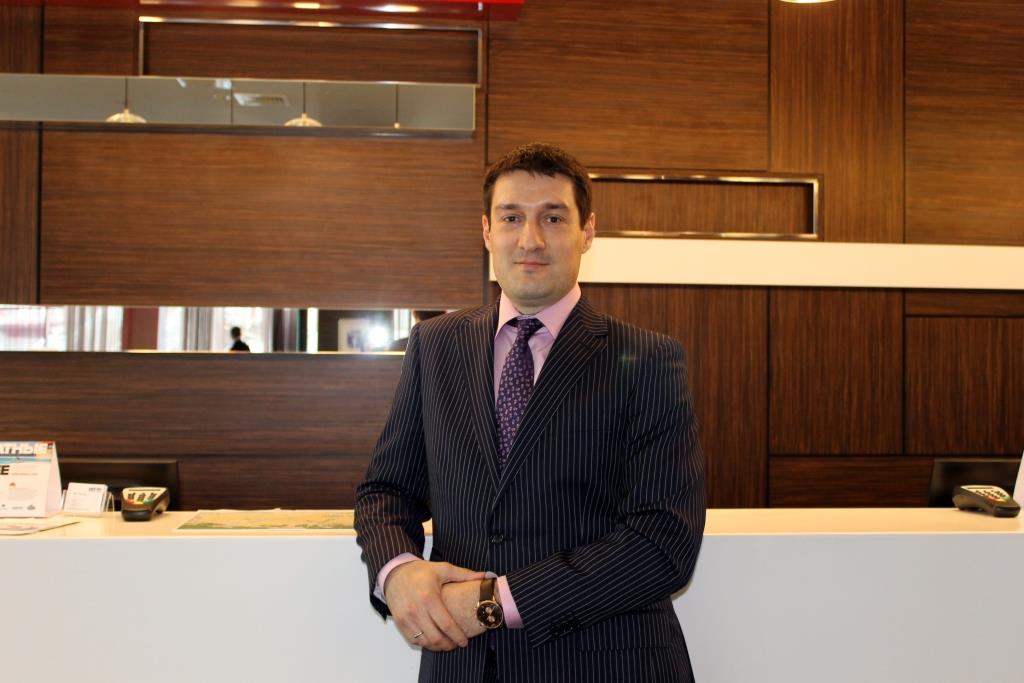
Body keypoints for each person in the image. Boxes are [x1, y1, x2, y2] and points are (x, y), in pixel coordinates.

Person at [355, 143, 706, 683]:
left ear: (587, 231)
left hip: (606, 665)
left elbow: (663, 542)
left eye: (554, 218)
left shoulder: (649, 359)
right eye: (511, 217)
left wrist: (493, 602)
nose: (531, 239)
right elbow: (386, 490)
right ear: (487, 231)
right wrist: (398, 572)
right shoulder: (435, 345)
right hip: (464, 668)